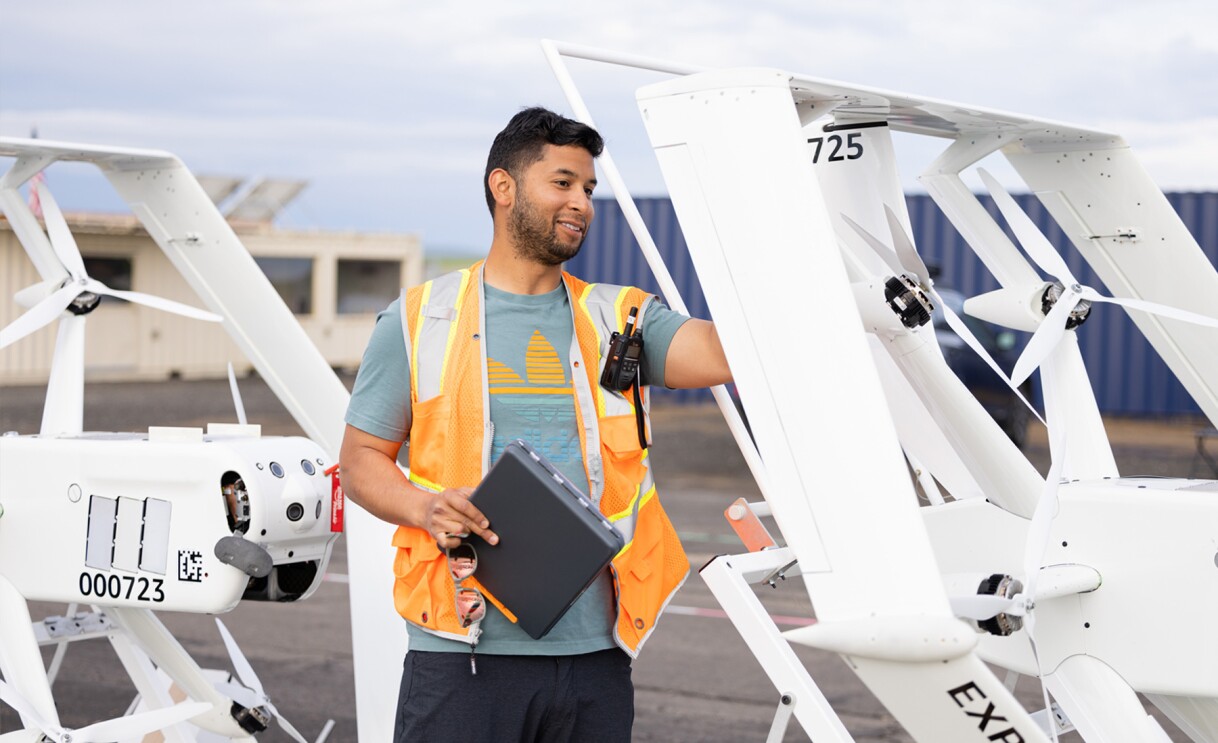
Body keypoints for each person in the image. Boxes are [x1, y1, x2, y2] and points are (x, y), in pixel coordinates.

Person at [338, 106, 732, 742]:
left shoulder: (621, 319)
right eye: (563, 182)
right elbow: (359, 462)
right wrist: (425, 507)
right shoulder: (418, 320)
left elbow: (721, 354)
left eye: (588, 188)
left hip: (596, 655)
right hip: (461, 652)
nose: (582, 202)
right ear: (504, 188)